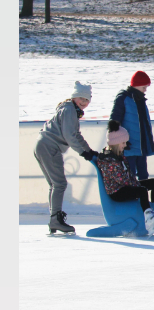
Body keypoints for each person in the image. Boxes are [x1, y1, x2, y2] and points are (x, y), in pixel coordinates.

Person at [35, 82, 104, 237]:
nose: (84, 102)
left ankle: (55, 218)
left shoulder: (71, 109)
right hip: (49, 146)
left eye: (87, 100)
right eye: (81, 98)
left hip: (42, 144)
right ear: (74, 97)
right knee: (59, 184)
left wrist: (89, 151)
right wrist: (83, 153)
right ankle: (55, 219)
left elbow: (77, 135)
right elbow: (69, 136)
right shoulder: (69, 110)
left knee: (55, 184)